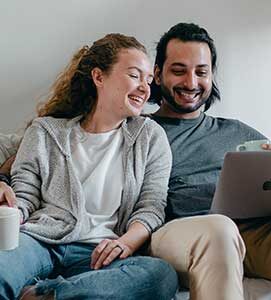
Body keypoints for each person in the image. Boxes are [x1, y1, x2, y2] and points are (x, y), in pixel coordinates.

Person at [0, 33, 178, 300]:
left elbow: (151, 207)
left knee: (160, 275)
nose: (145, 87)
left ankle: (45, 296)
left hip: (101, 253)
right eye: (134, 75)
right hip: (40, 242)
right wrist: (8, 207)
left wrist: (124, 244)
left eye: (148, 80)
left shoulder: (150, 137)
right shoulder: (46, 132)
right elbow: (25, 198)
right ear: (99, 77)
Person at [146, 22, 271, 300]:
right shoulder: (141, 132)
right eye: (179, 71)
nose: (191, 83)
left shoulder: (235, 130)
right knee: (220, 229)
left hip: (255, 234)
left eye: (201, 72)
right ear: (157, 75)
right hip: (183, 235)